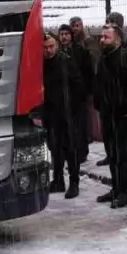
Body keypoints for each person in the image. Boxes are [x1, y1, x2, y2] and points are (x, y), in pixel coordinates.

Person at [93, 24, 127, 209]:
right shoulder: (102, 58)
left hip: (122, 114)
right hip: (107, 113)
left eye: (107, 37)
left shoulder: (126, 56)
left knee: (124, 155)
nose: (102, 40)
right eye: (102, 36)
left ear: (118, 39)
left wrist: (125, 106)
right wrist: (100, 103)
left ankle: (124, 192)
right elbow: (97, 83)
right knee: (112, 154)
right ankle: (115, 187)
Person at [36, 33, 85, 199]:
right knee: (55, 148)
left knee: (70, 148)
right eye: (45, 48)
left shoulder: (65, 61)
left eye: (51, 47)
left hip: (67, 111)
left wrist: (73, 107)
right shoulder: (40, 64)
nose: (49, 51)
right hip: (50, 112)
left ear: (56, 46)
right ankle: (58, 180)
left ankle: (74, 182)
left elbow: (78, 85)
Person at [59, 24, 94, 166]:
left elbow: (88, 73)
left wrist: (86, 91)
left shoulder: (80, 51)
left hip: (79, 95)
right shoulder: (56, 52)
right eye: (61, 34)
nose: (64, 37)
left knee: (81, 124)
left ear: (71, 35)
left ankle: (82, 152)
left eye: (66, 34)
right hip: (63, 96)